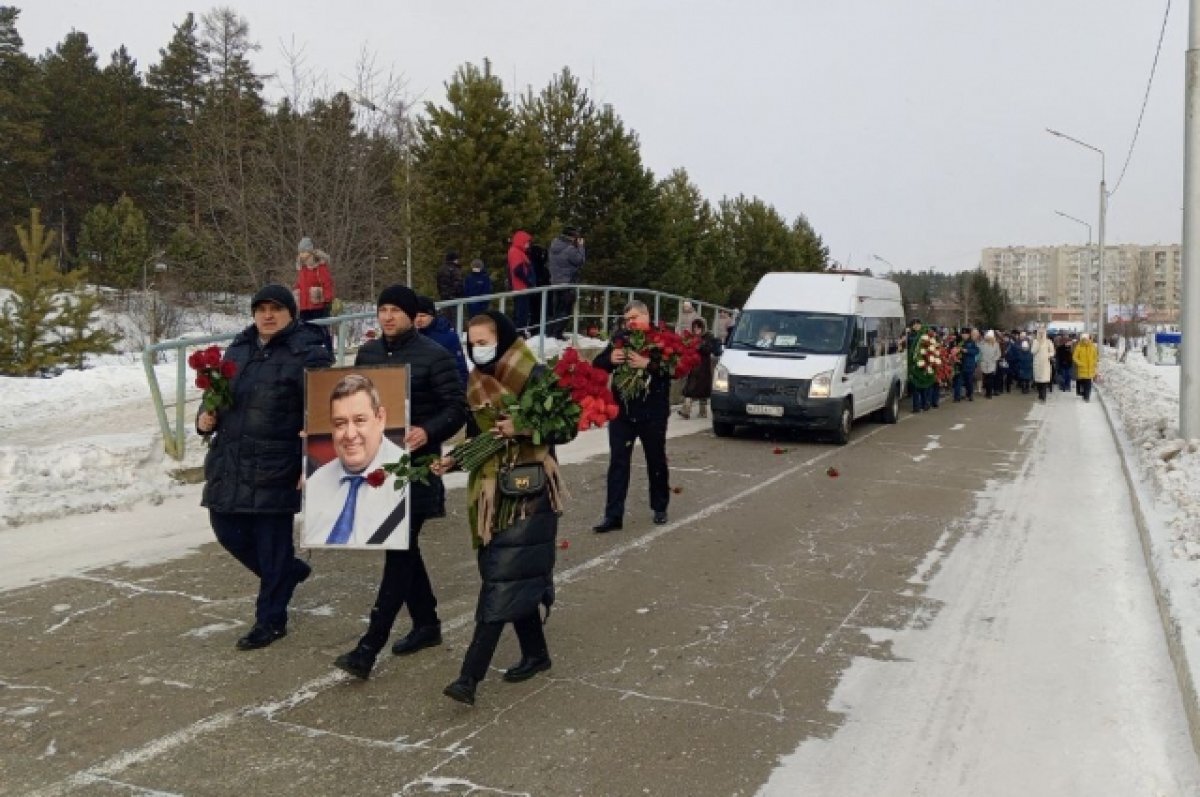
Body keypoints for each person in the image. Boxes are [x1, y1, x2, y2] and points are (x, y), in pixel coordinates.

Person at [332, 285, 468, 680]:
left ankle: (368, 647)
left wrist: (428, 431)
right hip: (378, 468)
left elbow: (456, 407)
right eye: (383, 309)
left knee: (397, 549)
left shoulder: (434, 355)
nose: (388, 316)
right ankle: (427, 624)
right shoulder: (369, 354)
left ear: (412, 314)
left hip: (418, 469)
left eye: (395, 310)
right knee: (402, 547)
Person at [435, 311, 571, 705]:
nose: (478, 349)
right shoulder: (476, 383)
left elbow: (566, 427)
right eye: (472, 342)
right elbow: (484, 438)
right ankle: (536, 653)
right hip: (491, 491)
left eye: (484, 340)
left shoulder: (535, 374)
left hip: (530, 489)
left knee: (501, 577)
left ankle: (468, 677)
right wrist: (455, 460)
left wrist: (525, 426)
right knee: (508, 575)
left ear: (504, 338)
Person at [197, 285, 334, 650]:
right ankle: (287, 574)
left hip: (278, 462)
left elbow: (326, 411)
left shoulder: (308, 353)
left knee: (272, 546)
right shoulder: (238, 349)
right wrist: (203, 418)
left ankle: (270, 620)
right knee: (226, 528)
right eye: (261, 309)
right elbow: (215, 395)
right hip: (231, 459)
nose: (267, 315)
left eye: (276, 308)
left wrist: (314, 458)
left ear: (291, 312)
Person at [592, 301, 672, 532]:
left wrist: (649, 364)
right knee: (618, 463)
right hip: (623, 413)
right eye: (627, 319)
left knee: (655, 459)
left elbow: (674, 370)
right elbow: (598, 364)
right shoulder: (620, 339)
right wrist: (610, 359)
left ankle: (659, 506)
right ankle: (613, 515)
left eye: (635, 317)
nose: (631, 323)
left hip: (653, 412)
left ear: (647, 316)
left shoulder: (662, 338)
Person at [304, 374, 409, 547]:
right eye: (340, 423)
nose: (350, 434)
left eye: (360, 420)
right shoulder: (316, 482)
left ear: (380, 418)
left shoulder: (406, 477)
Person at [414, 296, 469, 386]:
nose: (418, 319)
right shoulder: (411, 336)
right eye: (415, 316)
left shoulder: (448, 336)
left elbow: (460, 368)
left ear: (432, 315)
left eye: (422, 316)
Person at [293, 237, 335, 349]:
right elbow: (299, 284)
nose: (302, 254)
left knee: (321, 329)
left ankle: (328, 352)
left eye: (304, 251)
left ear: (310, 251)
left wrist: (327, 300)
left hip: (318, 305)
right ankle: (311, 353)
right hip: (304, 305)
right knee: (306, 330)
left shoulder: (319, 266)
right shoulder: (302, 268)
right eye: (300, 252)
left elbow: (327, 283)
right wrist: (295, 295)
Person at [678, 317, 722, 420]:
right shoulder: (691, 337)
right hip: (694, 367)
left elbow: (709, 350)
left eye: (699, 328)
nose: (696, 330)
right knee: (689, 388)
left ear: (703, 328)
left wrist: (700, 346)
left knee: (703, 391)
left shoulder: (708, 337)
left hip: (703, 367)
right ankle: (686, 410)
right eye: (695, 328)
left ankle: (702, 411)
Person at [547, 226, 585, 338]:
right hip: (567, 283)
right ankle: (557, 334)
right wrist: (581, 247)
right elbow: (580, 261)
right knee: (565, 310)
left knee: (557, 309)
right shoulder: (570, 249)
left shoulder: (554, 245)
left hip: (555, 282)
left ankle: (552, 333)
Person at [507, 231, 536, 334]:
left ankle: (521, 331)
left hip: (523, 287)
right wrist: (528, 281)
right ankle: (518, 332)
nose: (528, 244)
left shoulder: (520, 252)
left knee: (523, 311)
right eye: (527, 242)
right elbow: (518, 270)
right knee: (521, 312)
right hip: (520, 287)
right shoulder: (515, 251)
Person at [436, 251, 464, 325]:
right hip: (454, 298)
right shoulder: (455, 270)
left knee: (446, 318)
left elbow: (438, 284)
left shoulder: (441, 269)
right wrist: (459, 294)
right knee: (455, 320)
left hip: (444, 297)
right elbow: (458, 284)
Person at [1073, 332, 1099, 402]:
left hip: (1090, 369)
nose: (1086, 340)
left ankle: (1087, 397)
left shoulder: (1093, 347)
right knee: (1082, 383)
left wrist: (1094, 363)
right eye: (1084, 339)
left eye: (1087, 339)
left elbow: (1096, 356)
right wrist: (1080, 363)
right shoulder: (1079, 346)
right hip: (1082, 369)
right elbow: (1075, 357)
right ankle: (1083, 394)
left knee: (1088, 384)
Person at [1031, 327, 1055, 402]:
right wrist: (1038, 344)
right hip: (1037, 364)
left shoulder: (1048, 342)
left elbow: (1052, 352)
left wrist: (1048, 355)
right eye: (1039, 333)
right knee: (1038, 381)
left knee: (1044, 381)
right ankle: (1040, 395)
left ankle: (1043, 397)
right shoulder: (1035, 341)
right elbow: (1032, 352)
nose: (1041, 334)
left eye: (1042, 333)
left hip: (1045, 364)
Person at [978, 330, 1001, 398]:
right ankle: (988, 392)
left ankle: (989, 393)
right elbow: (979, 353)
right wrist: (981, 360)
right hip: (984, 363)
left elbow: (998, 354)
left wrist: (994, 359)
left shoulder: (996, 344)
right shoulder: (982, 344)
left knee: (990, 379)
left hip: (991, 364)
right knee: (986, 379)